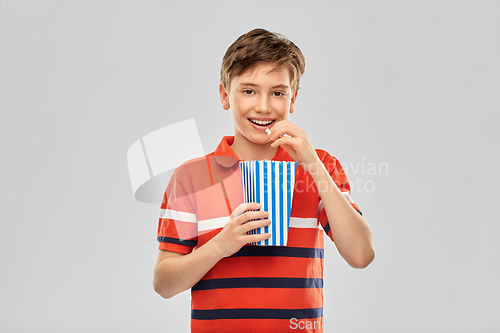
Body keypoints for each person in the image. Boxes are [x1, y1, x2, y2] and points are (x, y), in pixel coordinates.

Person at [153, 28, 374, 332]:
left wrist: (313, 166)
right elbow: (164, 283)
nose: (263, 106)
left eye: (278, 93)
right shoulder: (190, 178)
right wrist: (220, 245)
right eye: (248, 90)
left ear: (292, 99)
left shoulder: (321, 167)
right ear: (224, 96)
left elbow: (361, 255)